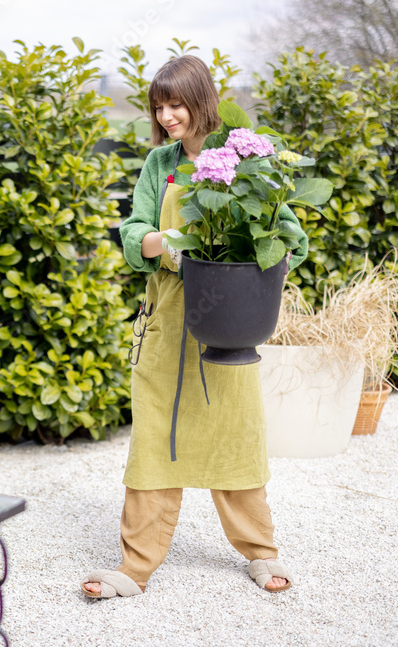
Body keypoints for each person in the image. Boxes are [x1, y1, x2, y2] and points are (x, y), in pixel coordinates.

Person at [80, 54, 304, 599]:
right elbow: (134, 234)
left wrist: (235, 265)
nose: (168, 115)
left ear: (201, 100)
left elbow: (290, 237)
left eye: (176, 103)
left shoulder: (245, 154)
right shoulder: (160, 164)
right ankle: (134, 569)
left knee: (235, 435)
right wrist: (170, 247)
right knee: (155, 440)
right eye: (160, 106)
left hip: (227, 328)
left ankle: (260, 551)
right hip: (168, 322)